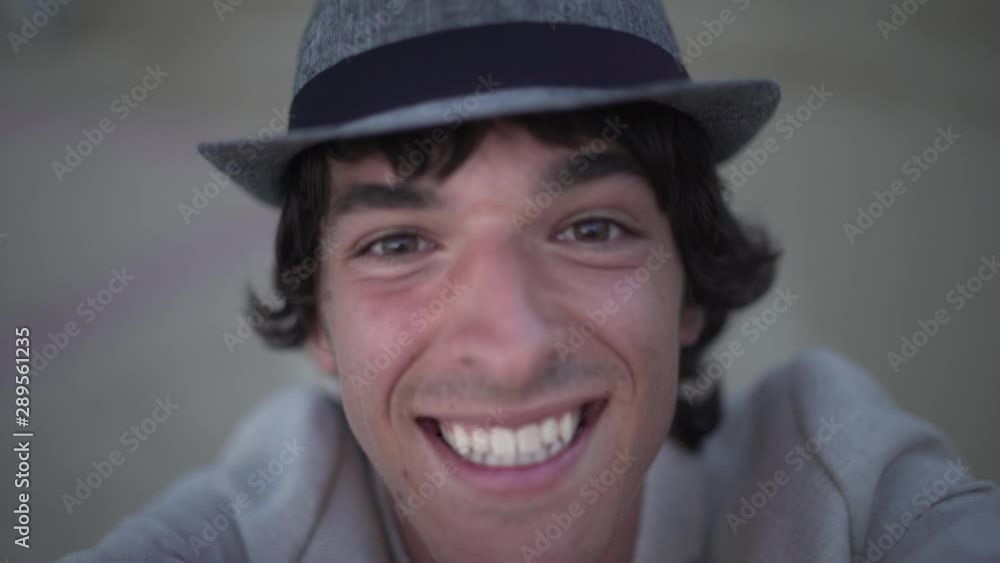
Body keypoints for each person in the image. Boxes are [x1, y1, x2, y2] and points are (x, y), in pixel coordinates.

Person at [59, 0, 1000, 562]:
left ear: (691, 285)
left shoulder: (828, 482)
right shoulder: (245, 525)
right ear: (318, 320)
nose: (511, 351)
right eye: (399, 242)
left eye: (592, 228)